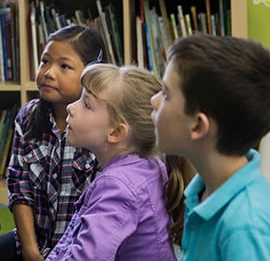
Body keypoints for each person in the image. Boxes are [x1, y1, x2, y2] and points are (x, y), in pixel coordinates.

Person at [0, 25, 105, 261]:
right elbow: (20, 190)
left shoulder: (101, 127)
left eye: (64, 66)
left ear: (91, 74)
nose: (49, 72)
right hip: (34, 240)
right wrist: (31, 252)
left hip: (81, 250)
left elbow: (101, 212)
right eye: (45, 61)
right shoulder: (28, 116)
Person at [151, 34, 270, 261]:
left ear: (198, 125)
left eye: (166, 94)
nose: (154, 100)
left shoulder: (249, 227)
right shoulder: (203, 190)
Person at [46, 63, 194, 260]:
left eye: (87, 104)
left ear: (116, 132)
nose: (71, 108)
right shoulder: (148, 165)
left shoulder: (118, 185)